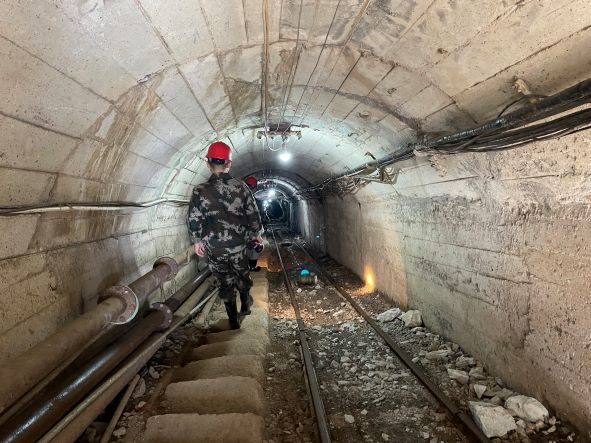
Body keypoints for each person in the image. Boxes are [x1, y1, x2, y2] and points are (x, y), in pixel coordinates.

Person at [187, 141, 263, 329]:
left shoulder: (199, 190)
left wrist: (197, 241)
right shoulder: (242, 187)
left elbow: (194, 218)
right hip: (238, 245)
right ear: (229, 164)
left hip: (215, 247)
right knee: (242, 275)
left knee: (225, 282)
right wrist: (256, 234)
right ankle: (245, 306)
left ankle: (233, 320)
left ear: (208, 164)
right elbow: (253, 214)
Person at [243, 176, 263, 272]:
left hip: (238, 230)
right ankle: (252, 267)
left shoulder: (237, 194)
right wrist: (257, 234)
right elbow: (253, 217)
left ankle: (245, 267)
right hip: (250, 229)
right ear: (254, 187)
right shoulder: (250, 198)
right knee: (255, 247)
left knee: (245, 249)